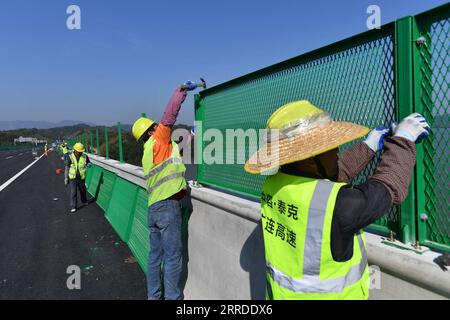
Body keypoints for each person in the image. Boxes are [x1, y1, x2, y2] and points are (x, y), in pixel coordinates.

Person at [244, 100, 430, 300]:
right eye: (329, 147)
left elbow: (326, 176)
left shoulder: (274, 185)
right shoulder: (337, 207)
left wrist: (369, 145)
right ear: (308, 158)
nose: (336, 151)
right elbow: (387, 187)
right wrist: (403, 139)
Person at [132, 80, 202, 300]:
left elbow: (172, 159)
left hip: (153, 208)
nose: (160, 128)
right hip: (167, 208)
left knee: (155, 257)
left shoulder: (149, 151)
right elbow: (169, 115)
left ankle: (154, 297)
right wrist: (181, 91)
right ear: (152, 130)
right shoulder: (158, 139)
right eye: (156, 127)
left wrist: (192, 136)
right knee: (173, 257)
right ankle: (173, 298)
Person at [66, 142, 90, 213]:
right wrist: (66, 177)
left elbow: (88, 162)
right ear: (75, 150)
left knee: (82, 190)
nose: (80, 153)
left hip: (81, 177)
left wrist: (89, 164)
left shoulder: (85, 156)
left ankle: (84, 201)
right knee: (73, 192)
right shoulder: (70, 156)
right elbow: (67, 167)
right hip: (73, 178)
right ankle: (74, 206)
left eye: (81, 151)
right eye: (79, 151)